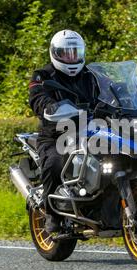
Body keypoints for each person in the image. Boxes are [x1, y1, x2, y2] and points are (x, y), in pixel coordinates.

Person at [28, 30, 98, 233]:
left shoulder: (91, 75)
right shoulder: (43, 75)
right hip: (56, 135)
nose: (71, 57)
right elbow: (36, 97)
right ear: (55, 53)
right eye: (66, 53)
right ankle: (52, 215)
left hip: (91, 130)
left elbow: (109, 89)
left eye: (75, 52)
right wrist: (48, 106)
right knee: (55, 163)